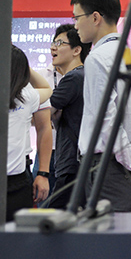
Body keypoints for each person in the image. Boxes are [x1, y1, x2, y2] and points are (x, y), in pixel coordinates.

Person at [70, 0, 131, 211]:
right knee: (125, 232)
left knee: (108, 234)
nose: (75, 25)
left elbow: (107, 125)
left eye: (77, 17)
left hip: (109, 172)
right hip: (128, 168)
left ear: (95, 18)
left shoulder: (97, 59)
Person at [44, 24, 91, 209]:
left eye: (59, 43)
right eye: (53, 43)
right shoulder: (85, 76)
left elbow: (42, 114)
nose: (52, 48)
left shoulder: (73, 78)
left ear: (77, 50)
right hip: (79, 162)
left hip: (72, 164)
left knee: (52, 217)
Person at [6, 45, 53, 222]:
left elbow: (44, 128)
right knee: (16, 234)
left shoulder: (26, 95)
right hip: (16, 181)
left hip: (17, 178)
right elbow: (46, 87)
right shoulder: (26, 96)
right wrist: (22, 64)